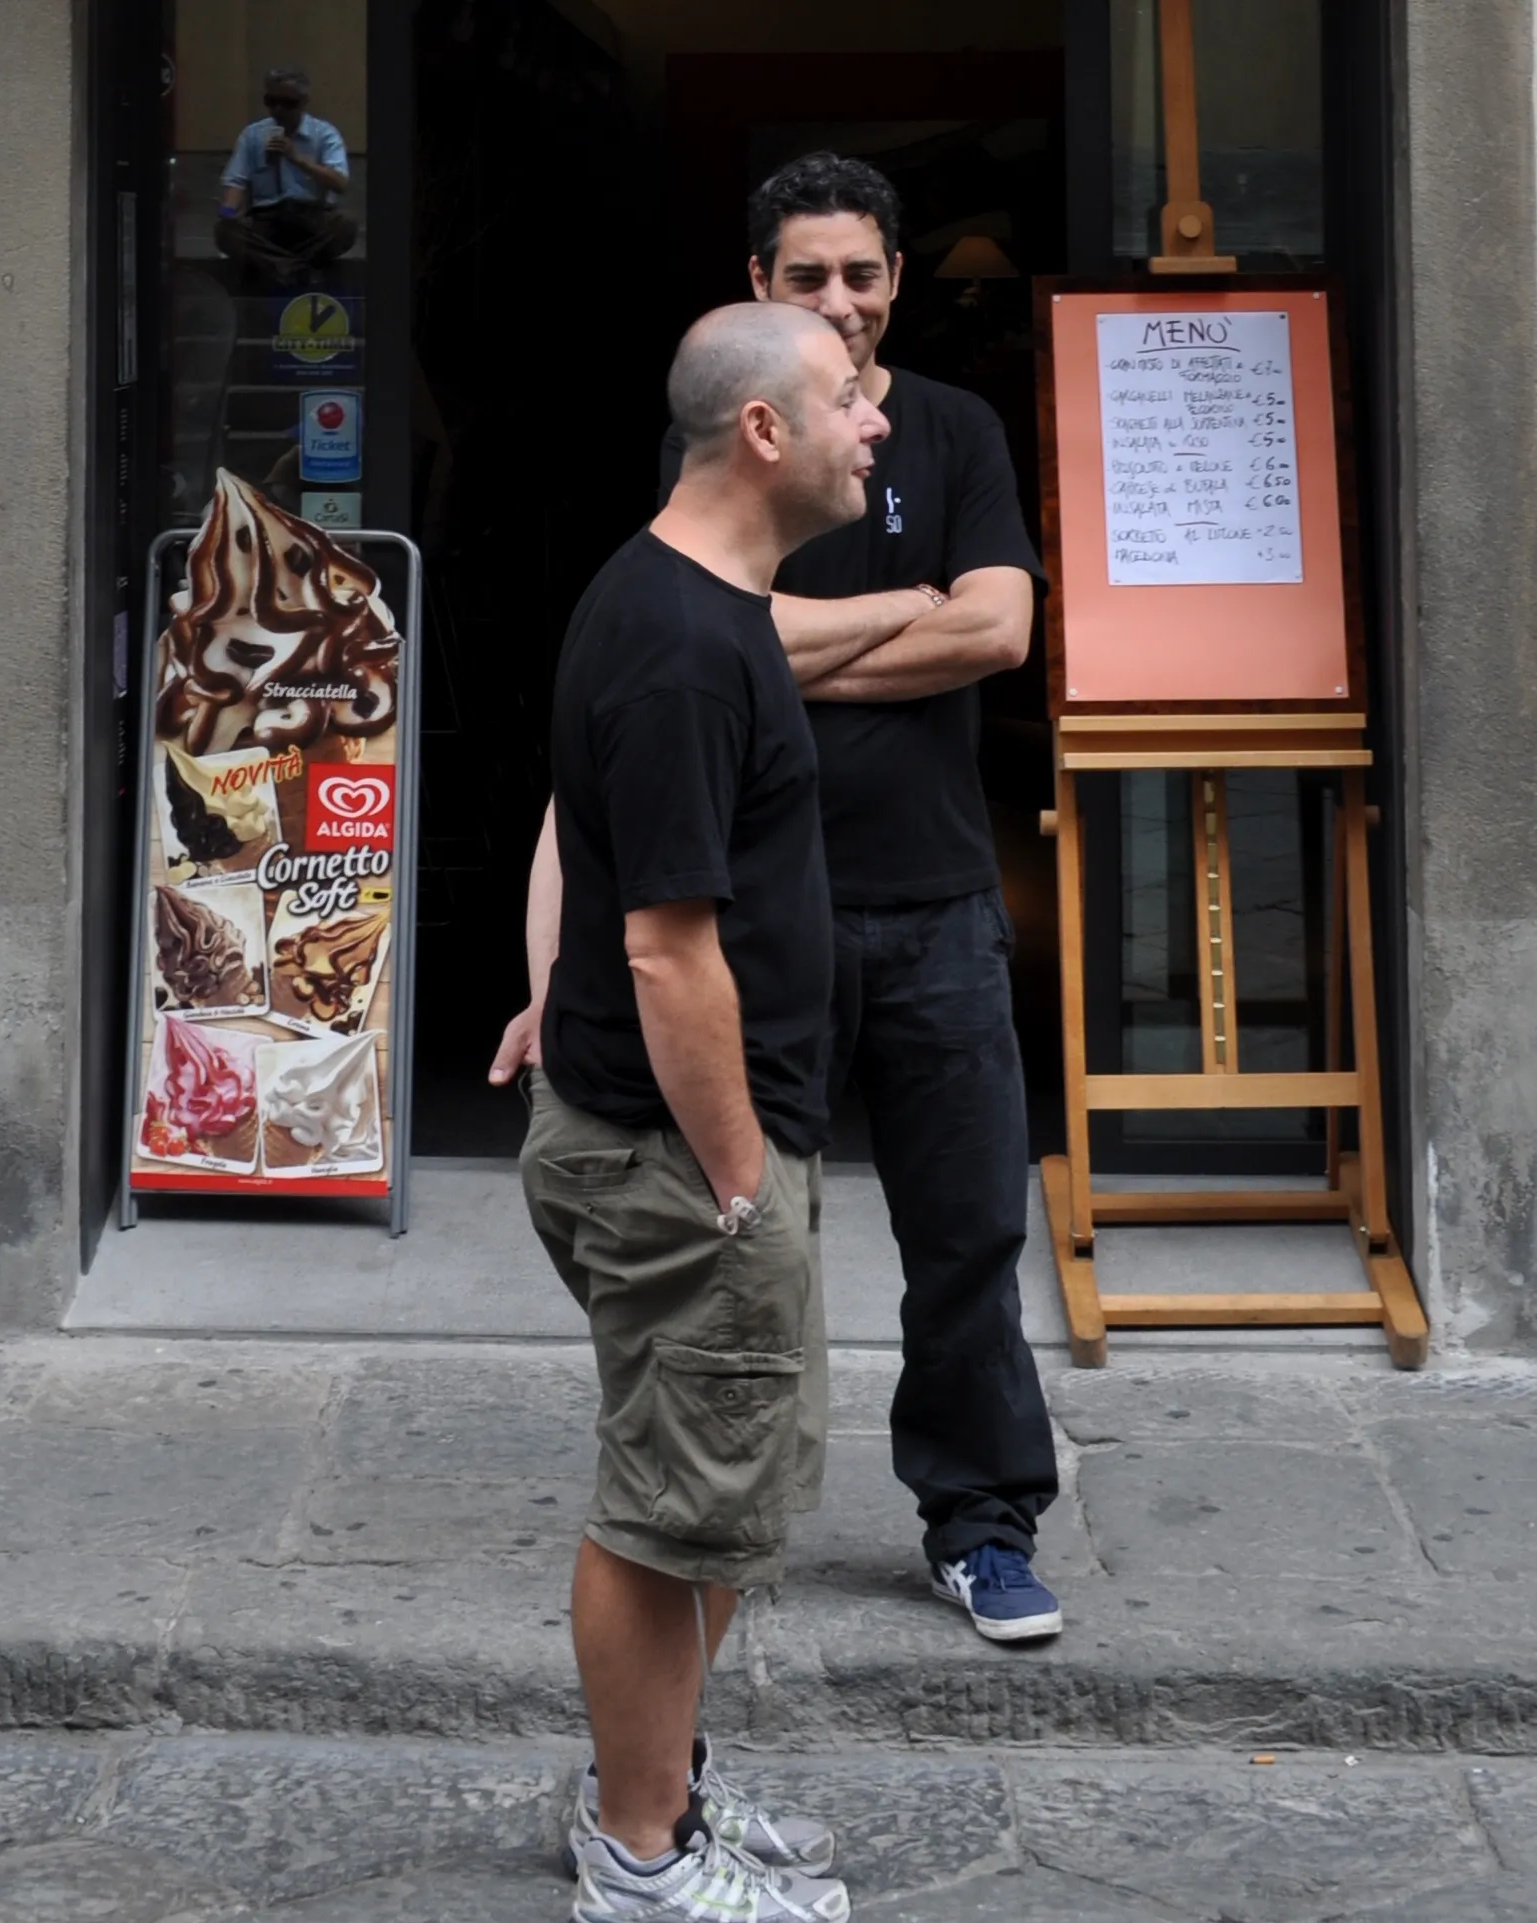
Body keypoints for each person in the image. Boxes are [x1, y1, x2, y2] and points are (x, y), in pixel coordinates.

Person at [494, 151, 1063, 1649]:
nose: (840, 301)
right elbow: (703, 628)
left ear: (896, 279)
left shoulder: (948, 430)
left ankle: (981, 1520)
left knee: (967, 1235)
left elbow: (999, 630)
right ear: (758, 286)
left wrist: (793, 647)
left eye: (862, 273)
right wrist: (896, 610)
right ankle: (699, 1528)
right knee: (741, 1241)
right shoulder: (730, 433)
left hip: (935, 903)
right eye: (806, 275)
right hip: (753, 923)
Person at [522, 301, 886, 1922]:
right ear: (762, 430)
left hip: (700, 1152)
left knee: (714, 1499)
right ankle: (636, 1852)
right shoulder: (678, 642)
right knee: (668, 1512)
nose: (874, 419)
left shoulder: (703, 604)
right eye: (845, 397)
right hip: (683, 1163)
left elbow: (590, 846)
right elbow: (667, 948)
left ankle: (656, 1785)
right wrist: (739, 1177)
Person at [214, 69, 356, 286]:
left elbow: (340, 183)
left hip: (311, 216)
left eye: (288, 103)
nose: (278, 110)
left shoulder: (324, 134)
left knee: (346, 225)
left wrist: (297, 160)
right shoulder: (252, 134)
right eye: (272, 102)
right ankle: (297, 271)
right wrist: (227, 212)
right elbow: (236, 181)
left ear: (303, 102)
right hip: (266, 217)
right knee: (226, 232)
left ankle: (277, 267)